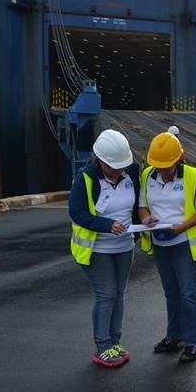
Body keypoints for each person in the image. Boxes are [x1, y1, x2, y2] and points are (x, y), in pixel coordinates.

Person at [139, 132, 196, 363]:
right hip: (161, 243)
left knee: (188, 293)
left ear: (178, 160)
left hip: (183, 243)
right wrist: (146, 219)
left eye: (166, 167)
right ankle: (174, 336)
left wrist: (182, 227)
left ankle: (193, 343)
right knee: (171, 292)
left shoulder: (192, 176)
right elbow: (143, 207)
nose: (162, 171)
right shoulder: (147, 176)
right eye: (158, 167)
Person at [69, 129, 139, 368]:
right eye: (113, 167)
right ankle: (103, 347)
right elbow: (77, 213)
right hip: (98, 249)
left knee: (119, 294)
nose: (119, 170)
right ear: (101, 162)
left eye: (122, 165)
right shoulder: (86, 179)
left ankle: (115, 342)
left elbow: (138, 205)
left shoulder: (131, 175)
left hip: (124, 246)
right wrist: (107, 225)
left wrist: (145, 221)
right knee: (106, 294)